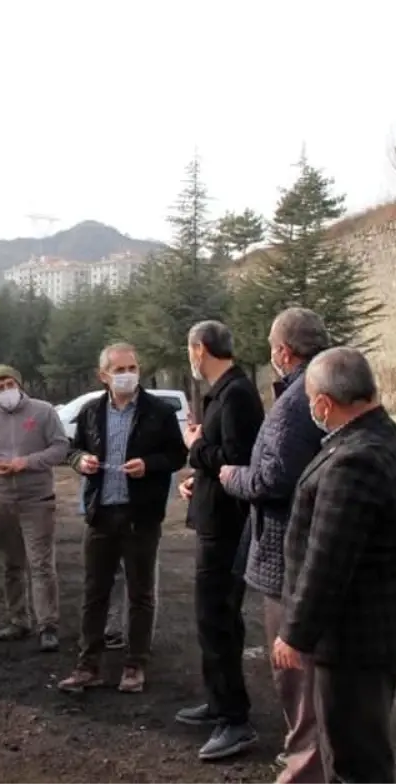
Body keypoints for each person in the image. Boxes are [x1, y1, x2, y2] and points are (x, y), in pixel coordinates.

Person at [273, 347, 396, 783]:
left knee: (354, 759)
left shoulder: (354, 459)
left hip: (353, 635)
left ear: (324, 403)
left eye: (310, 399)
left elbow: (328, 560)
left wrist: (295, 633)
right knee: (357, 750)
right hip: (365, 628)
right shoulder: (378, 435)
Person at [215, 307, 329, 781]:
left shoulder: (296, 401)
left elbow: (272, 478)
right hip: (304, 546)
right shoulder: (317, 390)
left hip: (286, 551)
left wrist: (231, 476)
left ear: (283, 351)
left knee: (293, 663)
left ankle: (306, 761)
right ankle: (311, 752)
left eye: (270, 346)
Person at [57, 343, 187, 694]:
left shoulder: (158, 412)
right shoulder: (91, 412)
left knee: (140, 593)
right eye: (119, 370)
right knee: (94, 592)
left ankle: (135, 664)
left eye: (132, 368)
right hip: (101, 513)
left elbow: (177, 455)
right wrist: (80, 461)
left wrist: (149, 465)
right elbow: (72, 449)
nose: (128, 375)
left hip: (140, 515)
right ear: (104, 376)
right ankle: (88, 665)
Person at [175, 321, 264, 761]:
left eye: (190, 350)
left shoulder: (237, 394)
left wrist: (194, 446)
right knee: (212, 618)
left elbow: (237, 462)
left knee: (218, 619)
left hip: (227, 527)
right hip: (215, 518)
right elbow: (219, 464)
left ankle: (235, 719)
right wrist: (198, 480)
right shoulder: (223, 392)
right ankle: (218, 702)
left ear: (199, 349)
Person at [0, 364, 70, 651]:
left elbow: (60, 447)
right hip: (2, 501)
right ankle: (18, 619)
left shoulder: (43, 412)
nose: (5, 390)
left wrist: (28, 462)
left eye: (9, 384)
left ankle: (47, 625)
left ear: (20, 384)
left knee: (41, 564)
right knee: (12, 564)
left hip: (37, 499)